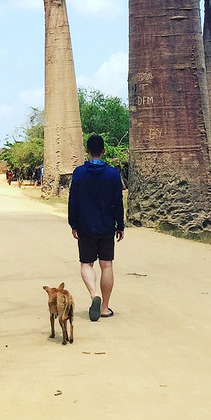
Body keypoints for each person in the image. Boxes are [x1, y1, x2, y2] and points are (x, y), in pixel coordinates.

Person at [67, 133, 124, 322]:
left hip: (85, 226)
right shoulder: (113, 174)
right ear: (104, 151)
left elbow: (73, 201)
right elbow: (118, 202)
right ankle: (105, 308)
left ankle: (94, 295)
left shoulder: (79, 173)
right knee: (106, 265)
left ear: (87, 150)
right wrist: (120, 225)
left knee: (86, 264)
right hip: (107, 226)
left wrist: (73, 224)